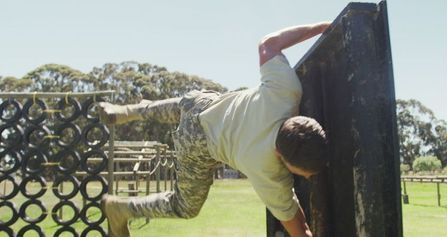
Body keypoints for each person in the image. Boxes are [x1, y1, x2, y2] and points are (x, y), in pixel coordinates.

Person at [99, 21, 331, 237]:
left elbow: (267, 44)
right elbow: (295, 224)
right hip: (200, 144)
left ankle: (125, 111)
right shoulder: (266, 169)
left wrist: (321, 27)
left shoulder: (287, 91)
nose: (310, 177)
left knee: (183, 106)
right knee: (185, 207)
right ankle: (121, 209)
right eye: (305, 173)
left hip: (201, 104)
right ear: (281, 155)